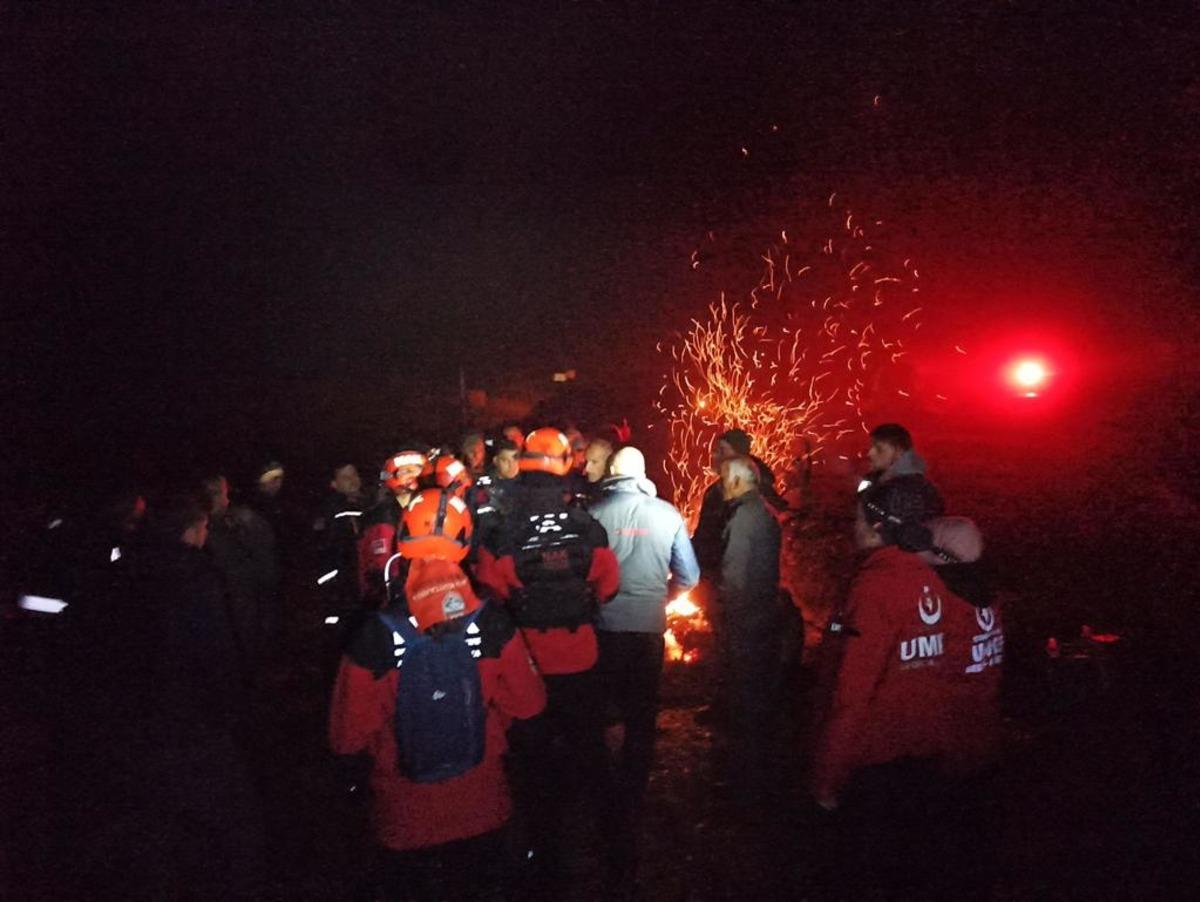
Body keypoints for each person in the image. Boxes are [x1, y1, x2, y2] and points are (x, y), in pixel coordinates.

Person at [330, 489, 546, 902]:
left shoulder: (374, 635)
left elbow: (346, 737)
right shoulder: (493, 624)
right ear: (465, 541)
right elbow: (530, 704)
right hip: (483, 806)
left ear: (403, 539)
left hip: (403, 818)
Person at [810, 480, 1003, 898]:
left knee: (877, 873)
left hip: (880, 769)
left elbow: (852, 696)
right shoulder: (952, 577)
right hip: (943, 761)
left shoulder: (881, 584)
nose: (853, 527)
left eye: (860, 520)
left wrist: (827, 777)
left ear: (881, 527)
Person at [474, 427, 620, 892]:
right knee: (588, 749)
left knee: (532, 758)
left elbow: (492, 588)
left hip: (527, 662)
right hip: (579, 657)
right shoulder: (587, 525)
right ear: (564, 466)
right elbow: (609, 584)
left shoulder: (502, 529)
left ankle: (543, 851)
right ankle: (609, 842)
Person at [589, 446, 699, 881]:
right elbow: (690, 575)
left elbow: (585, 572)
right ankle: (634, 786)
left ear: (613, 473)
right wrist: (660, 597)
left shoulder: (595, 514)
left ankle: (604, 784)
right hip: (648, 628)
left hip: (605, 626)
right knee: (642, 710)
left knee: (606, 707)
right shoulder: (668, 514)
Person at [716, 455, 783, 802]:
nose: (721, 486)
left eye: (724, 479)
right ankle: (759, 767)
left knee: (745, 693)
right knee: (757, 690)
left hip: (746, 618)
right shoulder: (764, 511)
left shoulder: (743, 518)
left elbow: (735, 575)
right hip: (762, 613)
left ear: (738, 481)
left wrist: (725, 610)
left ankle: (745, 775)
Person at [202, 474, 278, 681]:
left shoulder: (241, 520)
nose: (220, 499)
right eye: (214, 493)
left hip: (242, 598)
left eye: (219, 492)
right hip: (232, 600)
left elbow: (264, 561)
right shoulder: (203, 526)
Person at [358, 448, 427, 607]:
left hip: (428, 591)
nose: (414, 475)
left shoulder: (429, 506)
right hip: (398, 600)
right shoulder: (383, 517)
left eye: (417, 470)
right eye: (407, 471)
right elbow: (384, 569)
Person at [862, 422, 946, 516]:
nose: (870, 453)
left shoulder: (903, 490)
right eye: (871, 447)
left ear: (898, 450)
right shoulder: (880, 481)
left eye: (879, 448)